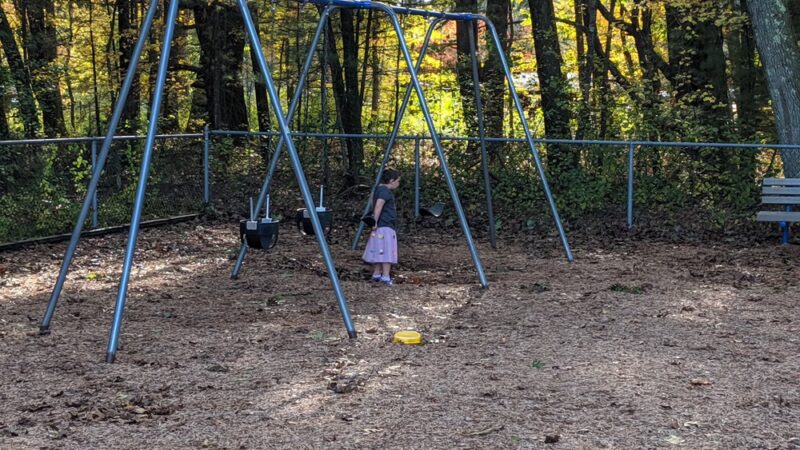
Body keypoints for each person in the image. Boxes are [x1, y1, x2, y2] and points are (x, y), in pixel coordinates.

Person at [363, 168, 401, 285]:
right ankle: (385, 276)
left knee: (379, 250)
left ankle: (376, 273)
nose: (398, 184)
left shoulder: (378, 189)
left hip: (381, 227)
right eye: (398, 181)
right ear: (391, 180)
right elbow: (379, 205)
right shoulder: (385, 192)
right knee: (387, 251)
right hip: (385, 226)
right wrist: (375, 221)